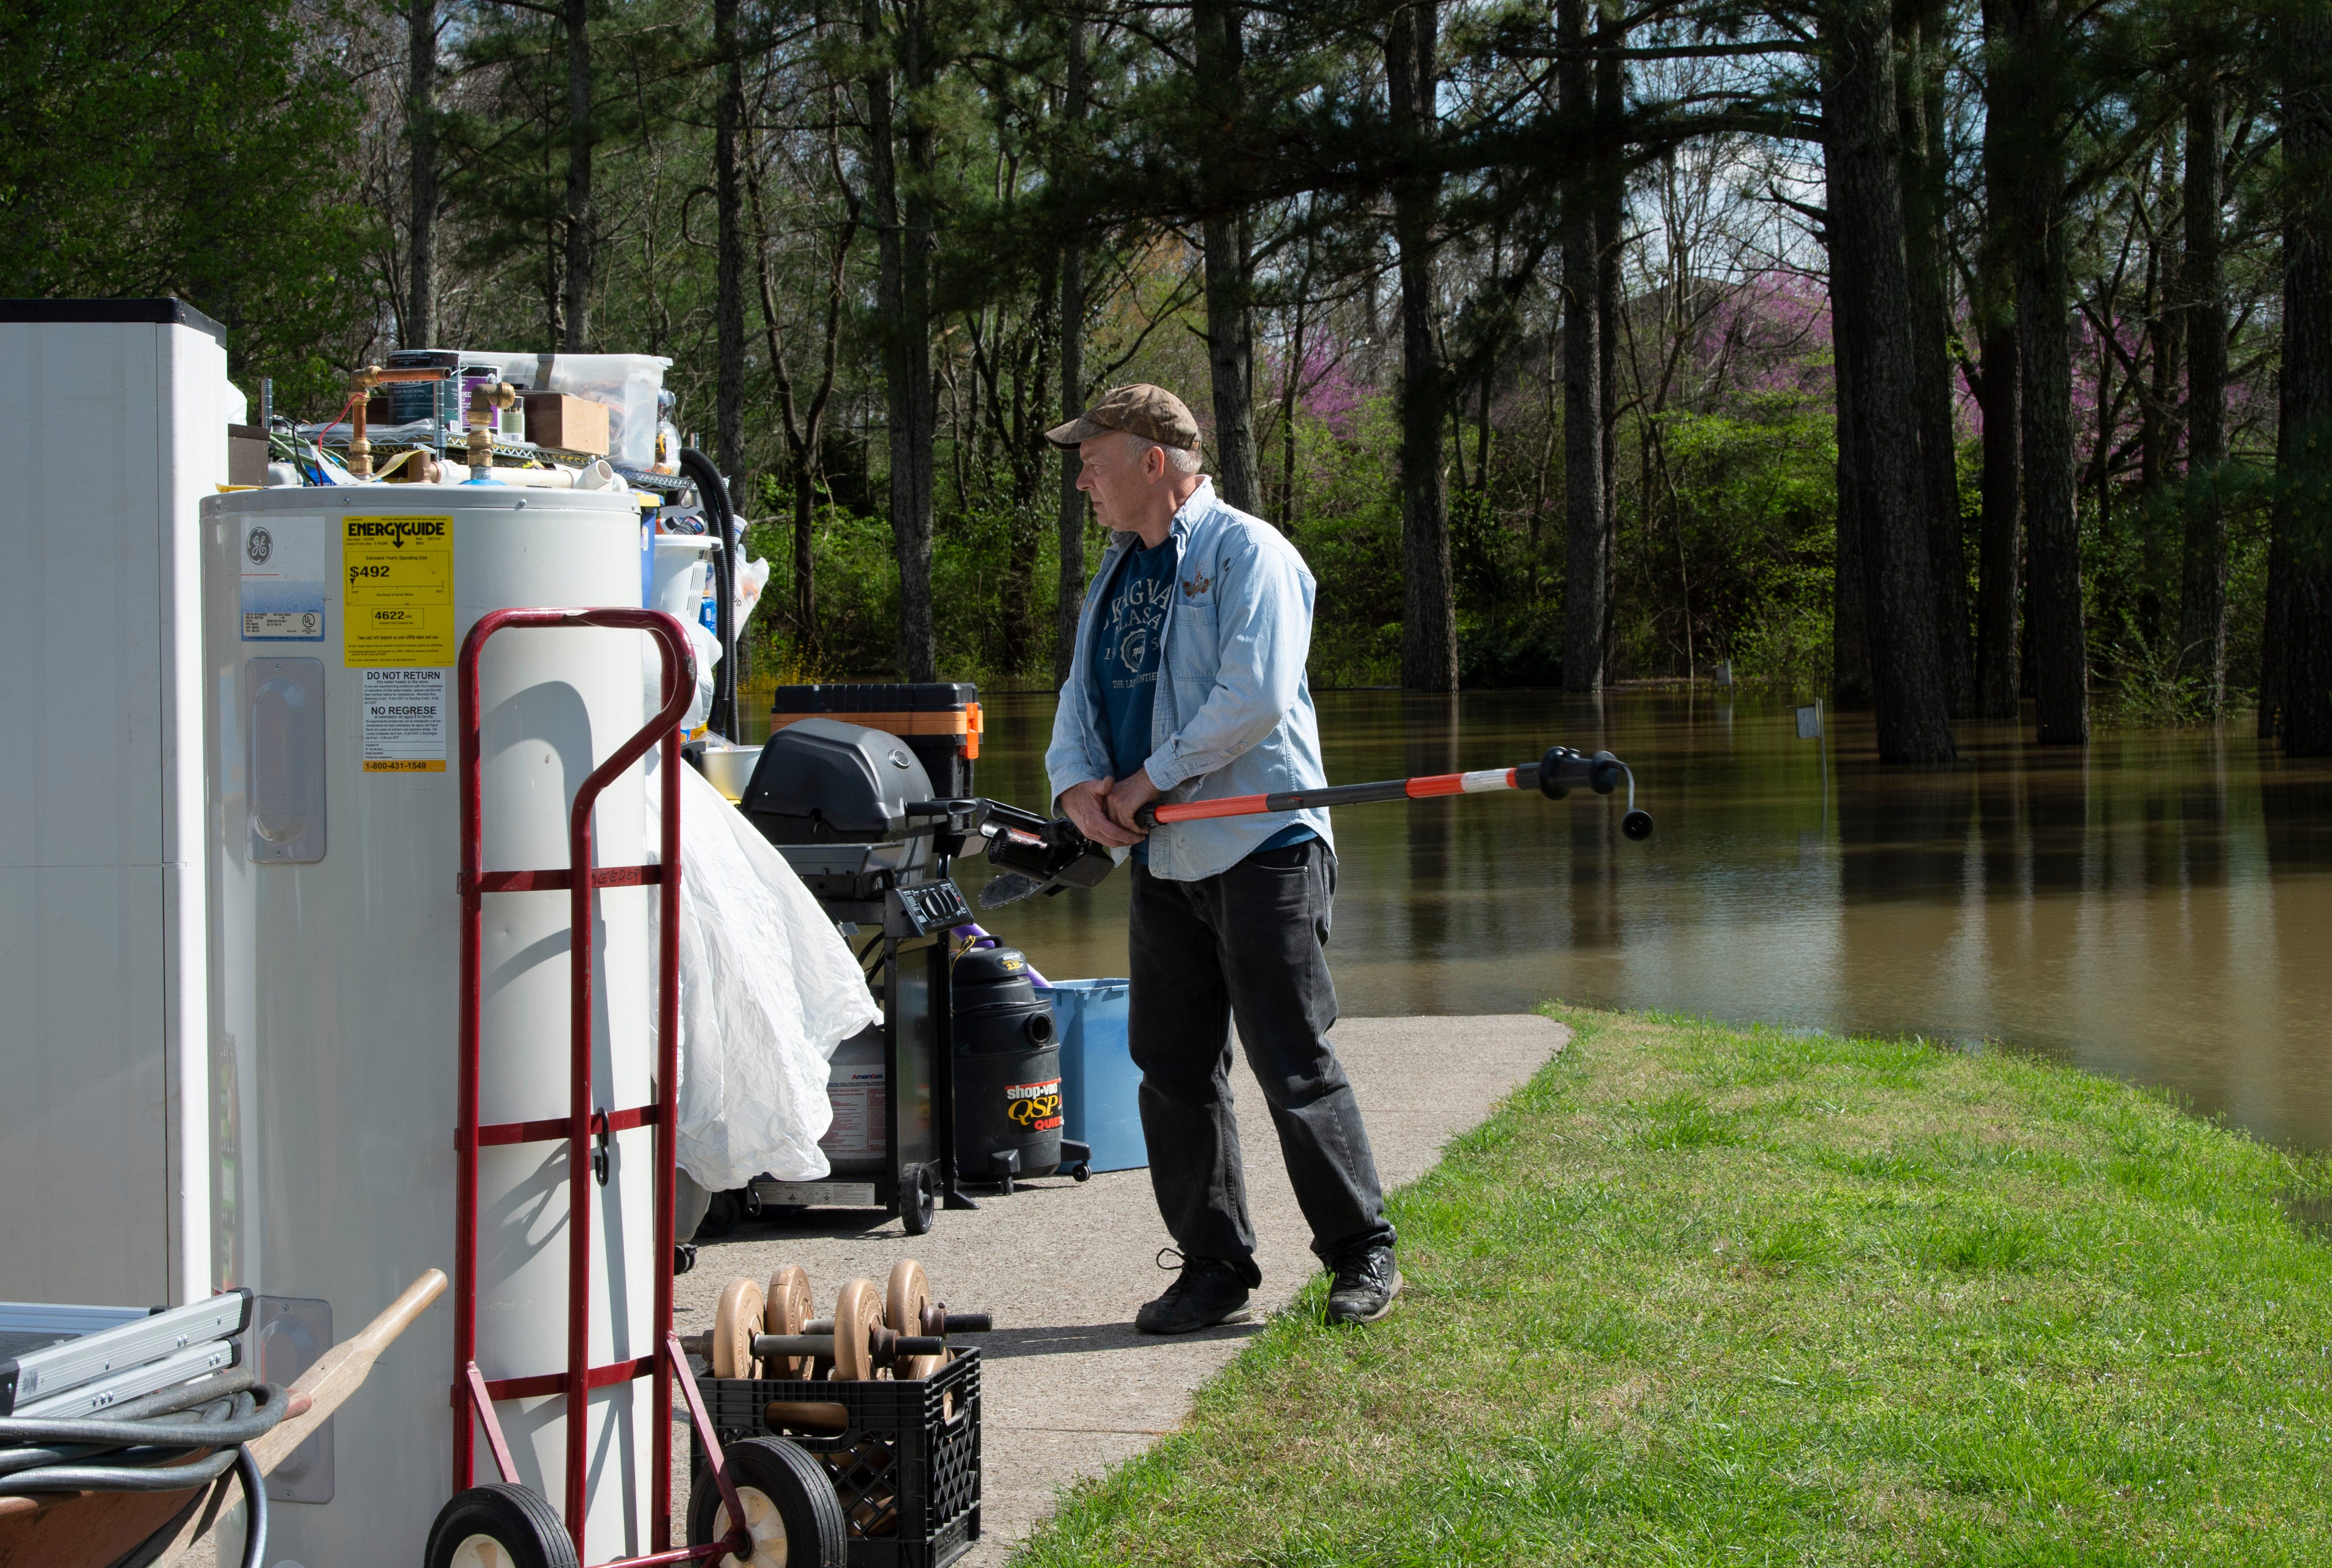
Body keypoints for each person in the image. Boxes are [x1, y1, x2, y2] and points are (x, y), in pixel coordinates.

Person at [1042, 383, 1400, 1332]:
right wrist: (1078, 786)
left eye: (1094, 456)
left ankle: (1362, 1254)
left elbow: (1256, 695)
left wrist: (1147, 779)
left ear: (1153, 461)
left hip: (1262, 846)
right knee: (1170, 1064)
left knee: (1293, 1057)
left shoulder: (1253, 553)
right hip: (1164, 857)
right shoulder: (1114, 575)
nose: (1082, 477)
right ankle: (1214, 1267)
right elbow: (1080, 696)